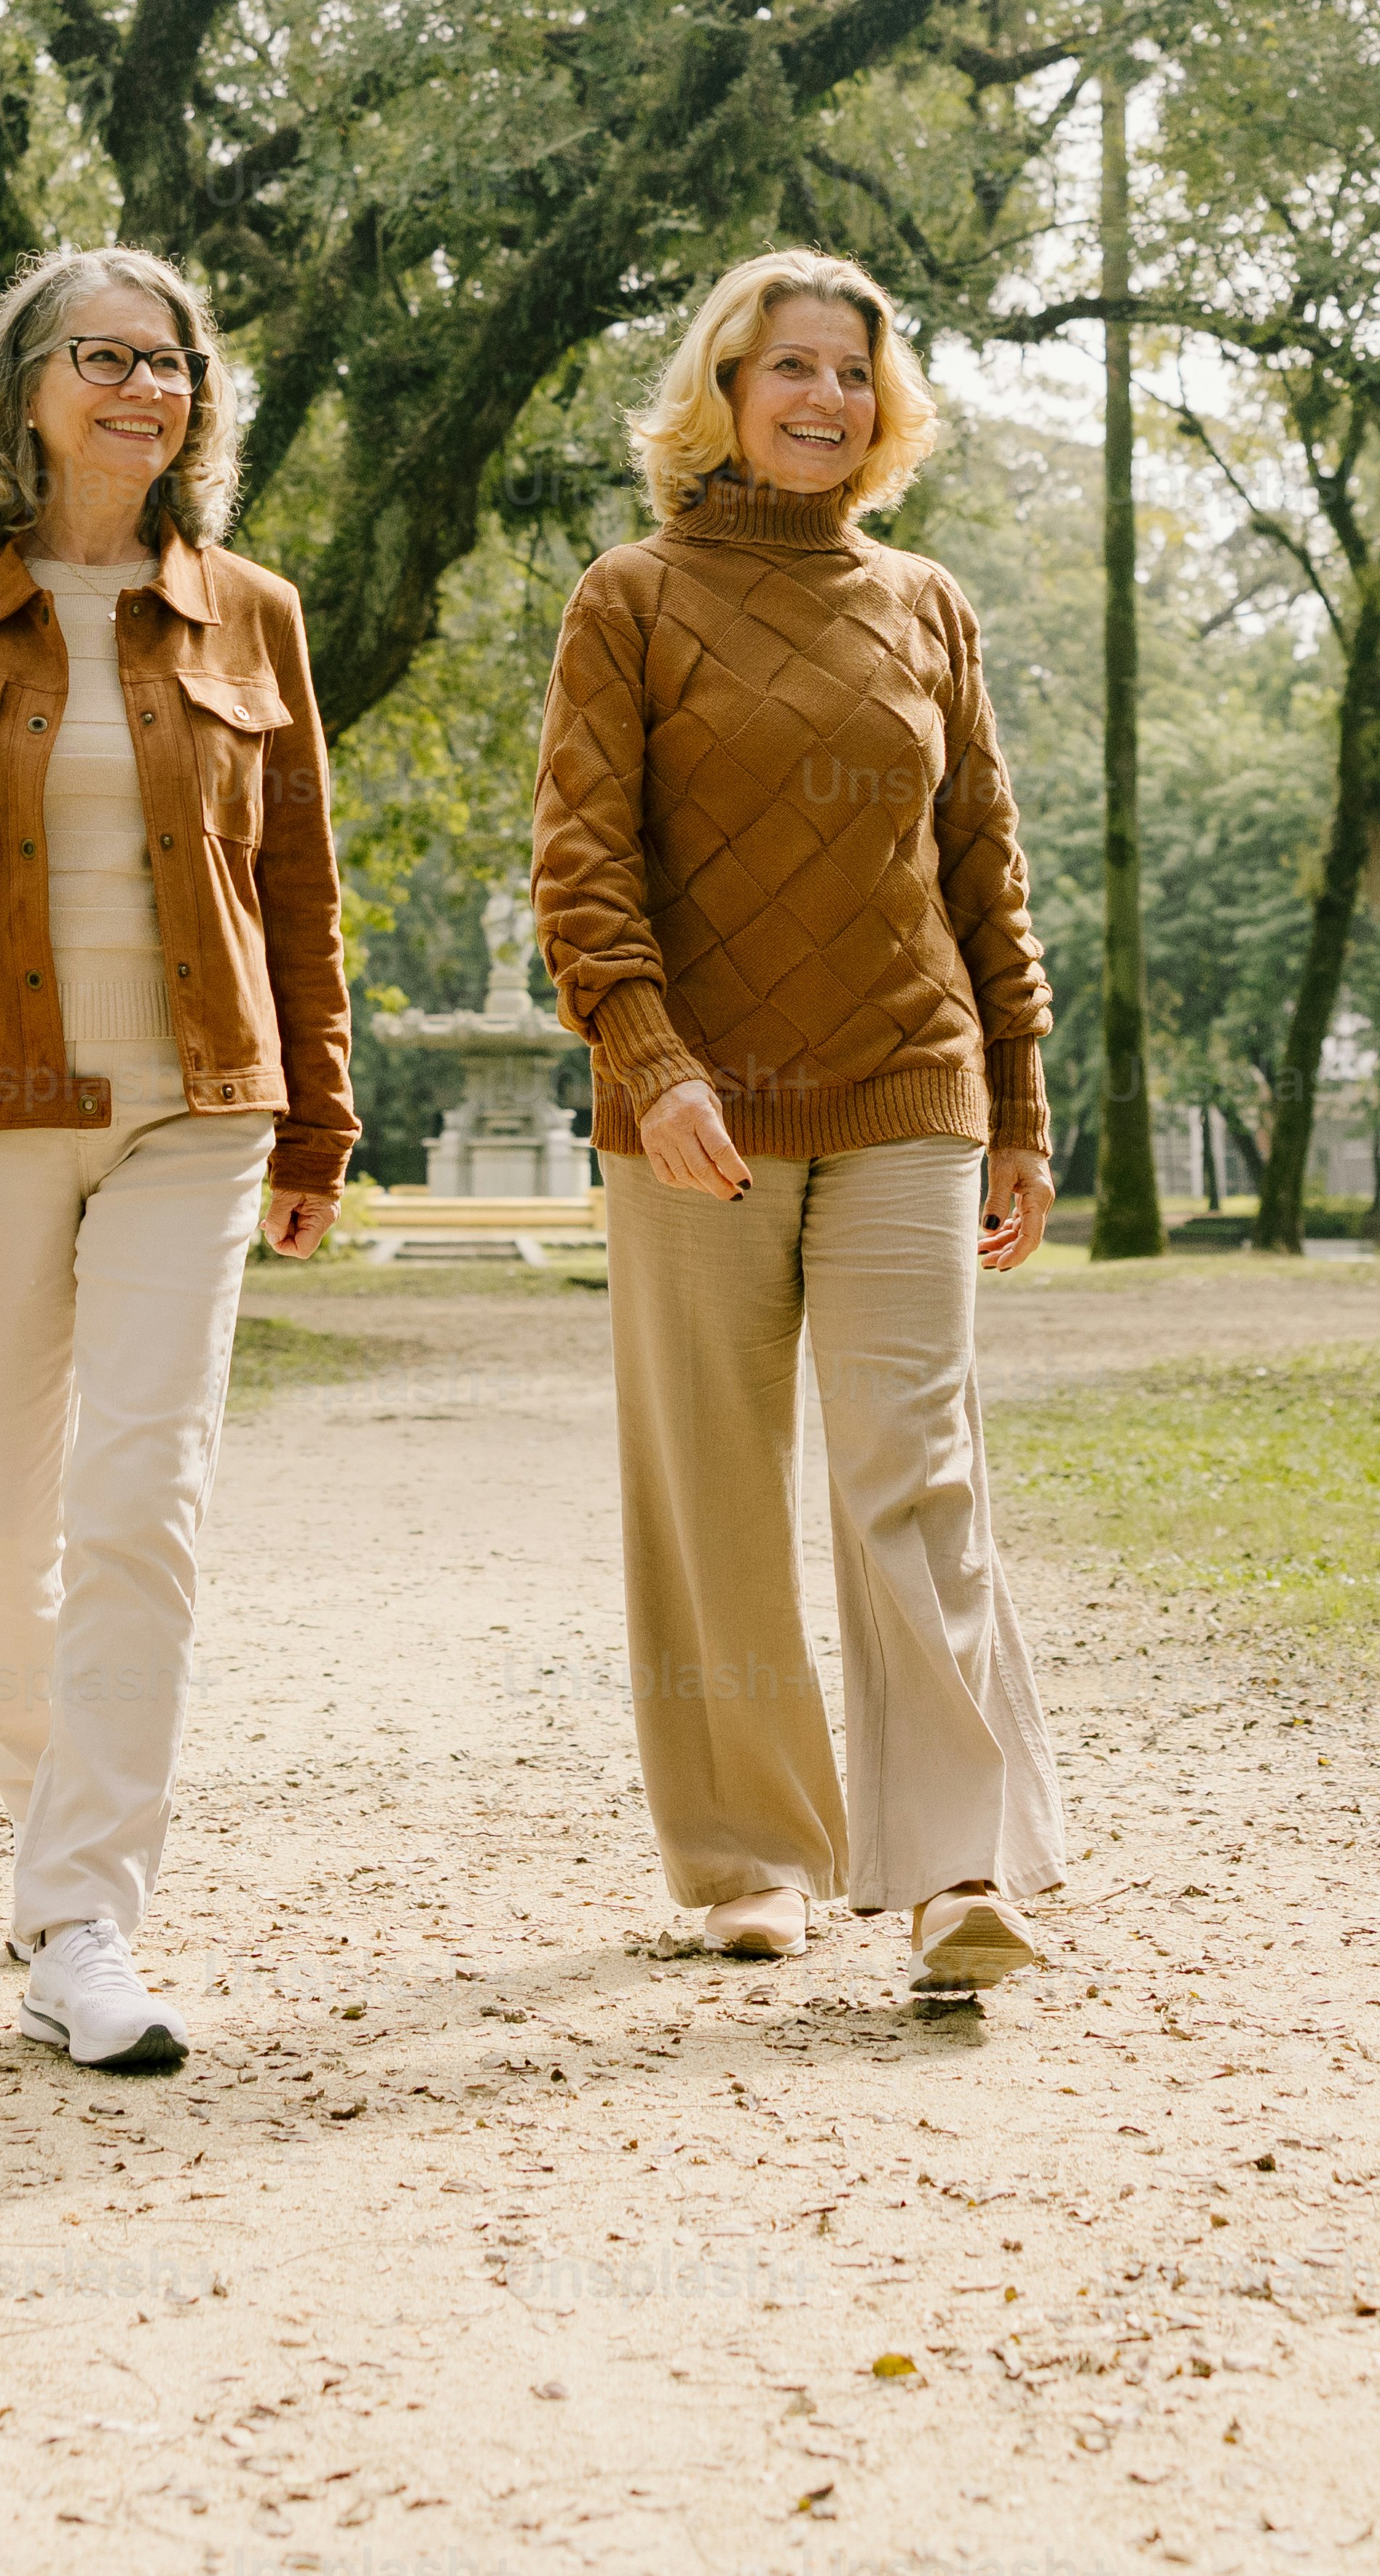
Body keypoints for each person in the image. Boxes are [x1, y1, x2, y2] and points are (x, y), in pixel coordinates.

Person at [0, 246, 355, 2072]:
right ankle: (43, 1826)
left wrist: (322, 1117)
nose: (145, 385)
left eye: (175, 359)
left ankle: (85, 1910)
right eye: (106, 355)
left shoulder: (250, 615)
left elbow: (301, 891)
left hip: (200, 1104)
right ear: (27, 387)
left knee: (144, 1496)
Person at [531, 248, 1062, 2002]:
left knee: (914, 1465)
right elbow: (583, 864)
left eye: (853, 370)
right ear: (726, 390)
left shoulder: (926, 603)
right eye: (790, 368)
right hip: (693, 1107)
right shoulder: (630, 596)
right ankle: (750, 1853)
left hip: (911, 1081)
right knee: (712, 1481)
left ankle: (951, 1865)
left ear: (883, 404)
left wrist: (1023, 1105)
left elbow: (982, 864)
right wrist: (651, 1054)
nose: (825, 396)